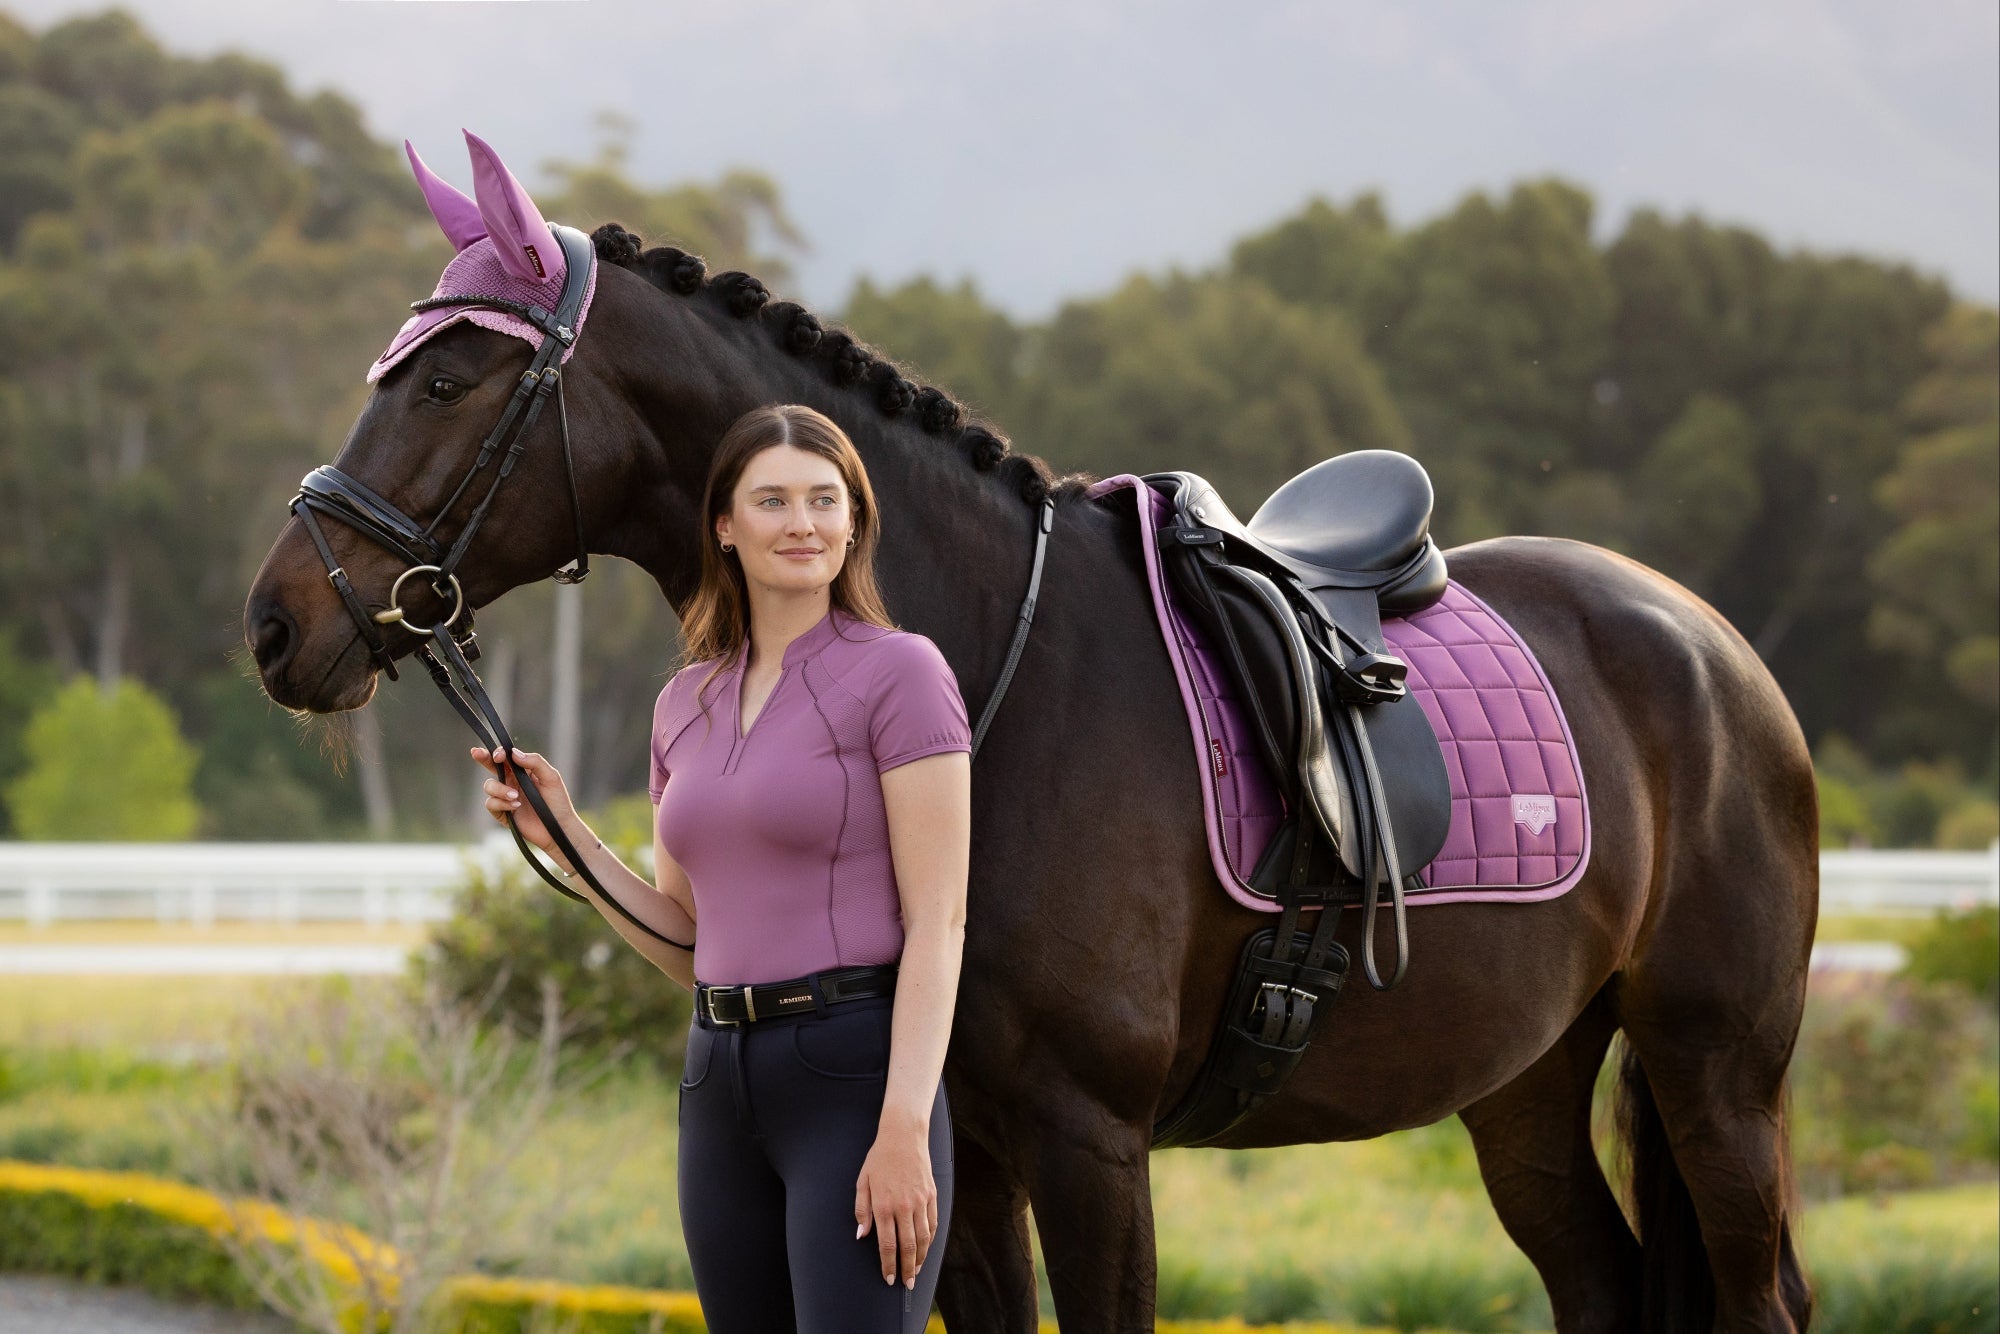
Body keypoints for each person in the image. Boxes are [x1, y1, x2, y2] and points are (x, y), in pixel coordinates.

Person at [470, 403, 971, 1332]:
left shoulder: (903, 675)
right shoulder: (683, 703)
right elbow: (687, 938)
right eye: (773, 500)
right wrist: (569, 836)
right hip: (718, 1084)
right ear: (725, 526)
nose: (803, 523)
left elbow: (940, 923)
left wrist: (903, 1125)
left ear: (854, 519)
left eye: (825, 500)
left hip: (854, 1080)